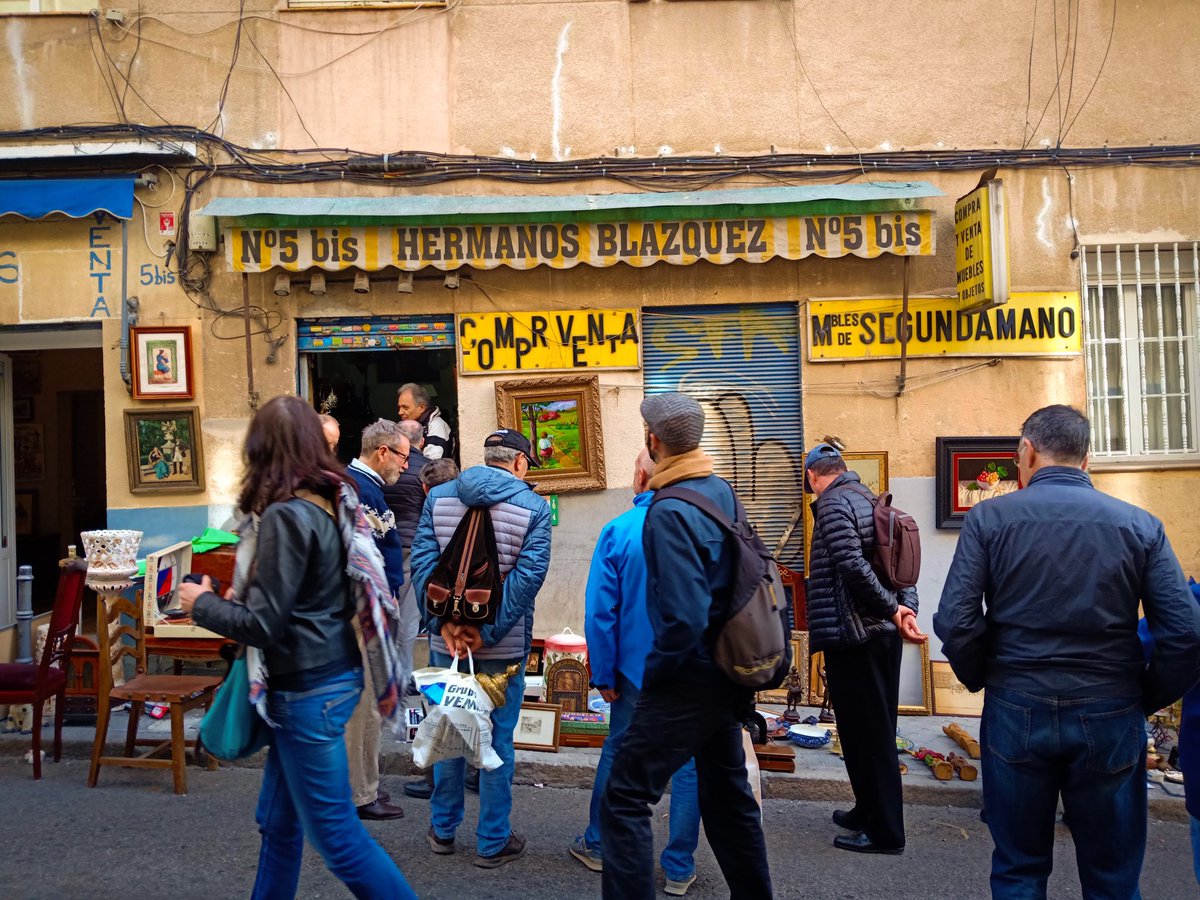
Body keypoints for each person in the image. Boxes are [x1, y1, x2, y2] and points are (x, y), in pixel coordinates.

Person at [935, 404, 1200, 899]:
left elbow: (955, 620)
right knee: (1112, 877)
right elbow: (1184, 633)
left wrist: (983, 677)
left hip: (1017, 706)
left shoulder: (990, 518)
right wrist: (1141, 698)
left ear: (1027, 452)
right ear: (1088, 460)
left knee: (1019, 870)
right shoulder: (1140, 524)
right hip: (1110, 708)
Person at [178, 395, 415, 900]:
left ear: (263, 450)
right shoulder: (329, 500)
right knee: (278, 824)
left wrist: (201, 603)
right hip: (323, 678)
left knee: (339, 839)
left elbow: (264, 624)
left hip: (308, 691)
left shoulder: (287, 515)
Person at [600, 393, 772, 900]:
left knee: (624, 797)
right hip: (728, 673)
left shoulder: (669, 508)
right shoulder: (720, 490)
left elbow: (683, 618)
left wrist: (655, 680)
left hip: (689, 679)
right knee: (727, 797)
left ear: (653, 441)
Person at [410, 428, 551, 867]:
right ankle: (492, 840)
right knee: (498, 741)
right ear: (520, 463)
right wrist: (485, 632)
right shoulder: (534, 507)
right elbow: (527, 580)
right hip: (502, 652)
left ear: (487, 457)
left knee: (449, 732)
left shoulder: (441, 496)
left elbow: (421, 563)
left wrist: (444, 623)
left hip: (444, 645)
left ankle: (443, 830)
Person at [571, 448, 701, 896]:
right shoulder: (701, 524)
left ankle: (599, 843)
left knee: (620, 752)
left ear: (643, 476)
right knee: (687, 764)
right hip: (689, 669)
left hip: (632, 671)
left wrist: (603, 673)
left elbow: (600, 613)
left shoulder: (619, 530)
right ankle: (680, 867)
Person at [804, 441, 922, 856]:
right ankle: (867, 810)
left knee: (869, 736)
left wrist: (894, 612)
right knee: (863, 732)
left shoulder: (835, 504)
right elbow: (897, 564)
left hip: (858, 636)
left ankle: (887, 833)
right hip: (875, 634)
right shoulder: (867, 498)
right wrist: (905, 609)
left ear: (814, 476)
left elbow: (853, 566)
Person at [343, 419, 409, 821]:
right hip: (364, 612)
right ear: (382, 452)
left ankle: (361, 786)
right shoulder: (360, 489)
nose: (405, 465)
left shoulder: (361, 486)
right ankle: (361, 793)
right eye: (402, 456)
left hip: (367, 610)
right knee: (365, 705)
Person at [401, 456, 463, 803]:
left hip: (444, 622)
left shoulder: (432, 515)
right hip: (479, 623)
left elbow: (425, 574)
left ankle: (435, 780)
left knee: (440, 703)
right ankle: (474, 773)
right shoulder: (477, 512)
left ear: (425, 489)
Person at [397, 382, 453, 461]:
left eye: (405, 407)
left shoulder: (436, 426)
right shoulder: (411, 425)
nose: (400, 412)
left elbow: (431, 464)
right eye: (399, 407)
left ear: (422, 407)